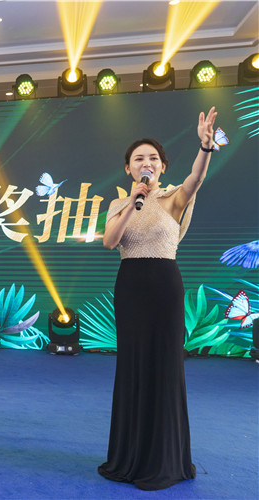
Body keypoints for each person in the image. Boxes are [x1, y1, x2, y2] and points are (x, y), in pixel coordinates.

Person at [99, 107, 218, 489]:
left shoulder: (174, 198)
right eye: (138, 159)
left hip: (165, 287)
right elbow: (110, 242)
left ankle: (165, 460)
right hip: (130, 288)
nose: (145, 163)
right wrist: (132, 203)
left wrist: (205, 146)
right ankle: (130, 457)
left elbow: (196, 177)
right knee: (133, 366)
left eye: (152, 158)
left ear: (162, 167)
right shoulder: (119, 205)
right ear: (129, 169)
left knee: (165, 368)